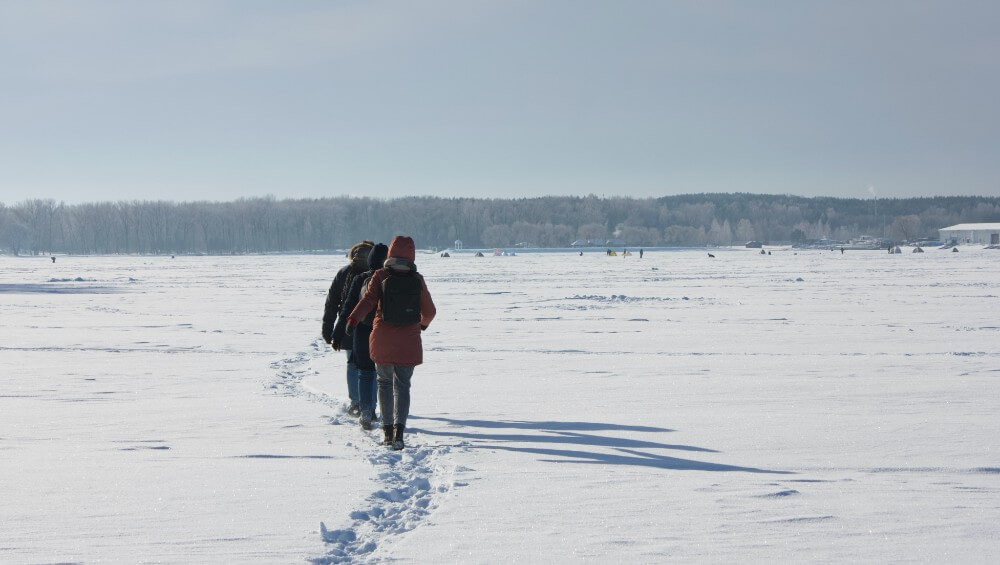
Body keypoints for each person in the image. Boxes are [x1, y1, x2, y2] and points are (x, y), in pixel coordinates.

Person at [348, 236, 436, 450]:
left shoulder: (380, 275)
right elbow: (430, 312)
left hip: (382, 340)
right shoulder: (417, 279)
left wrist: (353, 319)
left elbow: (367, 301)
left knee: (384, 384)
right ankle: (399, 433)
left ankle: (387, 432)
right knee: (403, 386)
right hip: (409, 341)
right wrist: (421, 325)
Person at [331, 243, 388, 430]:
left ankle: (365, 410)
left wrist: (338, 333)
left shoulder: (360, 279)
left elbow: (347, 308)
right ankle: (377, 410)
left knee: (365, 372)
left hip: (362, 330)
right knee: (382, 375)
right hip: (386, 331)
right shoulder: (391, 278)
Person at [322, 240, 374, 416]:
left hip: (347, 326)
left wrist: (328, 330)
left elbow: (331, 304)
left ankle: (355, 402)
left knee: (352, 363)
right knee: (371, 367)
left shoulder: (344, 273)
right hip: (373, 325)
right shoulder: (378, 273)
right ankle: (370, 405)